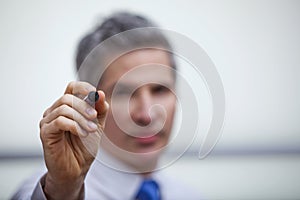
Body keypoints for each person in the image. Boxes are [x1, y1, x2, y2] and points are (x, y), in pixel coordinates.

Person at [12, 12, 201, 200]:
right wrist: (62, 190)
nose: (146, 115)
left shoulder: (188, 195)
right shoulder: (48, 192)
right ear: (89, 103)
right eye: (123, 93)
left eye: (159, 90)